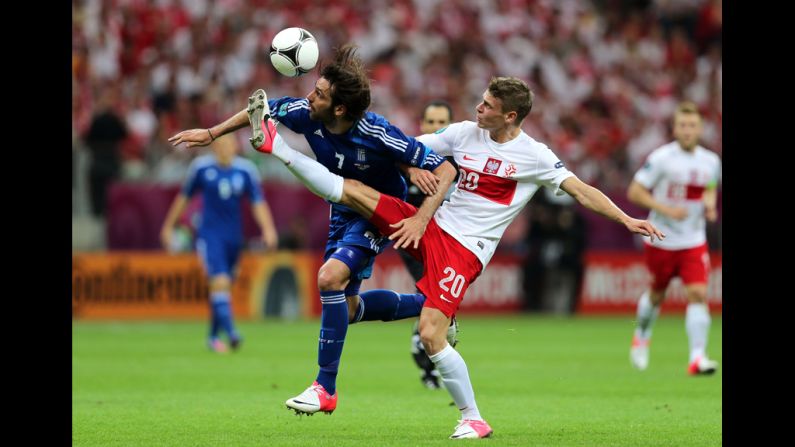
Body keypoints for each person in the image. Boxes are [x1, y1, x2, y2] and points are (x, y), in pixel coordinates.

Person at [248, 76, 664, 439]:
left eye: (488, 106)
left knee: (431, 333)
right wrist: (407, 168)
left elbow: (580, 190)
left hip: (466, 251)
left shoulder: (534, 156)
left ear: (511, 117)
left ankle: (474, 419)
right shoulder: (464, 132)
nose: (478, 108)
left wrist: (626, 218)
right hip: (431, 226)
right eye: (481, 100)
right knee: (356, 192)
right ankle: (279, 147)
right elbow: (410, 148)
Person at [168, 45, 458, 409]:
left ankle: (325, 388)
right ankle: (434, 304)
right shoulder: (307, 113)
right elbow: (262, 109)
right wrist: (211, 133)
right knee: (348, 308)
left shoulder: (377, 131)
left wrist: (420, 216)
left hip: (379, 213)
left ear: (340, 108)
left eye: (319, 93)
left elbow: (446, 170)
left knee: (328, 278)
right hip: (341, 209)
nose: (309, 96)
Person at [627, 101, 721, 375]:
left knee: (698, 293)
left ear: (701, 129)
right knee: (657, 294)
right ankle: (642, 336)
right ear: (675, 128)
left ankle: (697, 358)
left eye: (692, 125)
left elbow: (711, 187)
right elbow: (635, 191)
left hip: (693, 240)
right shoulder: (661, 158)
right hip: (662, 238)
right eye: (683, 125)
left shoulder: (711, 161)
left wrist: (711, 204)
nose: (688, 130)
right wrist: (666, 210)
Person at [160, 134, 278, 353]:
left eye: (229, 144)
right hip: (209, 236)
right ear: (213, 147)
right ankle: (232, 333)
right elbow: (184, 198)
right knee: (220, 282)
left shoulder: (245, 170)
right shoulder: (201, 168)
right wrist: (168, 226)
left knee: (223, 287)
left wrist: (269, 229)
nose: (224, 148)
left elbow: (257, 202)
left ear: (236, 146)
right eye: (220, 144)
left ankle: (213, 337)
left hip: (234, 238)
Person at [403, 101, 455, 390]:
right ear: (422, 126)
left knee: (440, 303)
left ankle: (424, 345)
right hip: (416, 242)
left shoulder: (462, 162)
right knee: (437, 299)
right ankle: (430, 362)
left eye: (442, 123)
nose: (436, 128)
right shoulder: (408, 161)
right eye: (431, 122)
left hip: (451, 243)